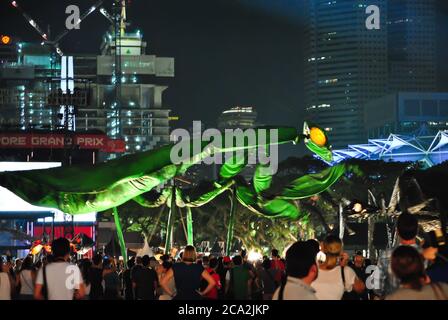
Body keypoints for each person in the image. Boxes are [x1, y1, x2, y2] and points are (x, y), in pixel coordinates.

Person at [375, 212, 422, 298]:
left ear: (397, 231)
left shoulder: (386, 255)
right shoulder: (427, 255)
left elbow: (377, 286)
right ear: (417, 231)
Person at [311, 235, 365, 300]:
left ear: (323, 249)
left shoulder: (312, 270)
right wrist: (344, 267)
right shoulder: (345, 272)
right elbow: (361, 288)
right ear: (340, 251)